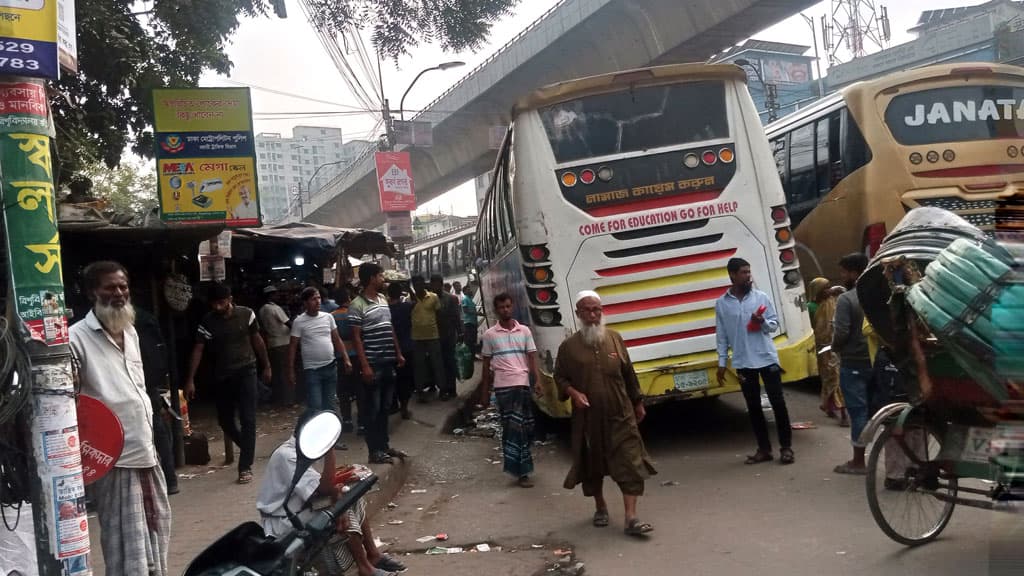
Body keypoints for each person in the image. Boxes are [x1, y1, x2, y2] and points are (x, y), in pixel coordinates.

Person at [71, 261, 171, 575]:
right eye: (109, 287)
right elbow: (71, 401)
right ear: (92, 293)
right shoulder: (76, 338)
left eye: (123, 286)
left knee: (156, 528)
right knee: (122, 541)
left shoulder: (131, 331)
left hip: (144, 448)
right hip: (111, 458)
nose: (118, 293)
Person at [555, 290, 657, 537]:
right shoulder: (568, 347)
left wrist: (638, 401)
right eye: (588, 310)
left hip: (621, 414)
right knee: (593, 464)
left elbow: (628, 373)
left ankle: (631, 518)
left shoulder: (615, 339)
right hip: (589, 418)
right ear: (578, 314)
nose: (593, 315)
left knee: (630, 461)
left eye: (597, 310)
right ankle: (600, 506)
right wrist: (574, 393)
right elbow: (559, 377)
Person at [256, 415, 406, 576]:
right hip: (282, 521)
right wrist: (330, 450)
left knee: (352, 494)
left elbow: (319, 485)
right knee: (340, 505)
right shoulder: (287, 455)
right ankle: (365, 568)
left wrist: (342, 481)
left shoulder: (301, 449)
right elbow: (326, 487)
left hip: (300, 509)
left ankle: (373, 554)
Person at [185, 282, 272, 485]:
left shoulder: (246, 315)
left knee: (248, 419)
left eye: (221, 303)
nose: (217, 307)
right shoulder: (208, 321)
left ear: (230, 300)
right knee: (224, 421)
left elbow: (257, 340)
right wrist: (190, 379)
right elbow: (198, 349)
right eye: (214, 304)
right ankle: (247, 448)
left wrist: (266, 365)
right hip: (222, 376)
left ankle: (245, 466)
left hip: (246, 371)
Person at [714, 258, 794, 465]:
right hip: (742, 362)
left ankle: (786, 448)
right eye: (743, 272)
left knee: (778, 403)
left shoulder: (761, 297)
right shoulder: (722, 304)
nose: (748, 276)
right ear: (732, 275)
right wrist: (722, 363)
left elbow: (774, 324)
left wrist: (763, 322)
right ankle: (764, 449)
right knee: (754, 407)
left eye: (749, 272)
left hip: (766, 358)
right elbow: (722, 335)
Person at [480, 293, 543, 487]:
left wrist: (538, 381)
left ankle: (519, 468)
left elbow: (532, 358)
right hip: (503, 388)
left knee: (526, 428)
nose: (505, 310)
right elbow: (486, 366)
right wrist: (485, 392)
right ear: (496, 310)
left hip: (522, 384)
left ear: (512, 307)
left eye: (508, 306)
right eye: (501, 307)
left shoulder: (524, 331)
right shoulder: (489, 335)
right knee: (513, 430)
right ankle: (522, 472)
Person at [349, 263, 408, 464]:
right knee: (371, 410)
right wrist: (364, 366)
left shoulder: (383, 300)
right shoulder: (357, 305)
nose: (383, 279)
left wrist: (398, 353)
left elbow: (389, 328)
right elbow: (356, 339)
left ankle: (384, 446)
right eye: (380, 275)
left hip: (388, 361)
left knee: (385, 408)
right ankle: (374, 451)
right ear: (372, 278)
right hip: (372, 364)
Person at [832, 253, 872, 475]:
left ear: (854, 272)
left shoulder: (846, 299)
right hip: (875, 360)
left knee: (858, 411)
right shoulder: (876, 294)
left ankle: (858, 461)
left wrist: (835, 346)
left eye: (844, 272)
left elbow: (842, 331)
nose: (842, 276)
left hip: (853, 361)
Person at [134, 306, 179, 495]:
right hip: (147, 384)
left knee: (154, 430)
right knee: (157, 430)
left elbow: (154, 354)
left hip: (143, 384)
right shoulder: (144, 319)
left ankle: (168, 479)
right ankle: (169, 480)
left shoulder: (140, 321)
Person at [289, 287, 352, 418]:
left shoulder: (328, 317)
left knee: (330, 405)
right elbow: (293, 347)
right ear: (305, 303)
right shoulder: (299, 322)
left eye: (318, 298)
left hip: (330, 366)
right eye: (313, 299)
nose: (318, 301)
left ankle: (330, 436)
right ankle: (301, 432)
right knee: (315, 406)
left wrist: (346, 359)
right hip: (312, 370)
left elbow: (337, 339)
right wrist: (290, 370)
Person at [808, 278, 848, 426]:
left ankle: (843, 413)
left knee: (837, 378)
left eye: (829, 288)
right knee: (827, 378)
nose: (828, 291)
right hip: (821, 347)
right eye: (824, 289)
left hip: (835, 346)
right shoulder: (811, 307)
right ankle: (828, 405)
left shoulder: (834, 302)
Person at [410, 275, 446, 403]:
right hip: (416, 337)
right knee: (419, 365)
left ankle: (442, 389)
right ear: (413, 286)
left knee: (437, 364)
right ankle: (420, 391)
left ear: (423, 284)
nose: (418, 287)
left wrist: (441, 334)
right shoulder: (409, 299)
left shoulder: (433, 297)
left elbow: (439, 316)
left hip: (433, 336)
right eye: (415, 285)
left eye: (420, 284)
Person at [331, 287, 362, 433]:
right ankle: (362, 422)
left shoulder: (332, 316)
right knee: (359, 388)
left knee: (343, 391)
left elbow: (333, 338)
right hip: (356, 355)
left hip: (339, 356)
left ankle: (347, 420)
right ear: (348, 298)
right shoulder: (355, 313)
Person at [259, 285, 293, 406]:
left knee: (277, 374)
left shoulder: (262, 310)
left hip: (272, 344)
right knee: (285, 372)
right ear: (271, 295)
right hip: (283, 343)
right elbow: (289, 323)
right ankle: (287, 400)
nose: (278, 296)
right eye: (276, 294)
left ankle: (278, 399)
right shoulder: (275, 308)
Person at [387, 282, 416, 420]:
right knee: (405, 379)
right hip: (406, 347)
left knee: (392, 378)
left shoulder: (385, 309)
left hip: (389, 348)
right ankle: (404, 406)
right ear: (400, 293)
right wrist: (409, 288)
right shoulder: (406, 306)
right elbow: (416, 300)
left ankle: (393, 405)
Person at [430, 274, 461, 400]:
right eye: (433, 284)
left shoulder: (451, 299)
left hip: (449, 336)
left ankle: (452, 389)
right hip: (434, 337)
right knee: (439, 364)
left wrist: (460, 332)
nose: (435, 286)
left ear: (441, 284)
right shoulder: (429, 299)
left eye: (437, 284)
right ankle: (443, 389)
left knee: (450, 363)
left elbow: (456, 317)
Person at [462, 284, 484, 356]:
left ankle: (473, 354)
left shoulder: (470, 299)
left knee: (473, 339)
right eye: (468, 289)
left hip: (473, 322)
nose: (470, 290)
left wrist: (478, 313)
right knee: (470, 340)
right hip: (469, 323)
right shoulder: (465, 299)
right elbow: (465, 310)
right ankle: (471, 355)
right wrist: (476, 313)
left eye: (469, 289)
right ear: (464, 292)